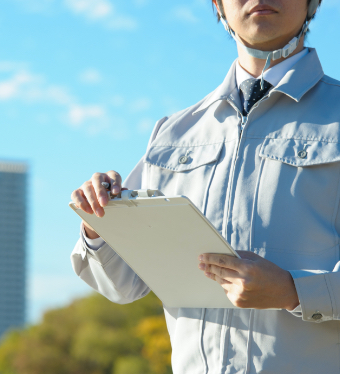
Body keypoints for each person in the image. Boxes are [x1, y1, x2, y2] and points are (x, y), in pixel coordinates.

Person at [70, 0, 340, 372]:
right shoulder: (173, 134)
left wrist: (293, 292)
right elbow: (122, 286)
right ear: (218, 4)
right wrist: (98, 222)